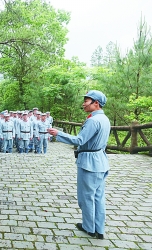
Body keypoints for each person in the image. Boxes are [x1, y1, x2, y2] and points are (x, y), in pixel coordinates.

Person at [47, 90, 110, 239]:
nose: (83, 104)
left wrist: (58, 134)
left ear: (96, 103)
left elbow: (79, 140)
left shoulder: (93, 121)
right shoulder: (105, 119)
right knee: (98, 197)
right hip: (100, 161)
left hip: (89, 163)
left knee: (86, 197)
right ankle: (99, 229)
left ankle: (89, 227)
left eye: (86, 101)